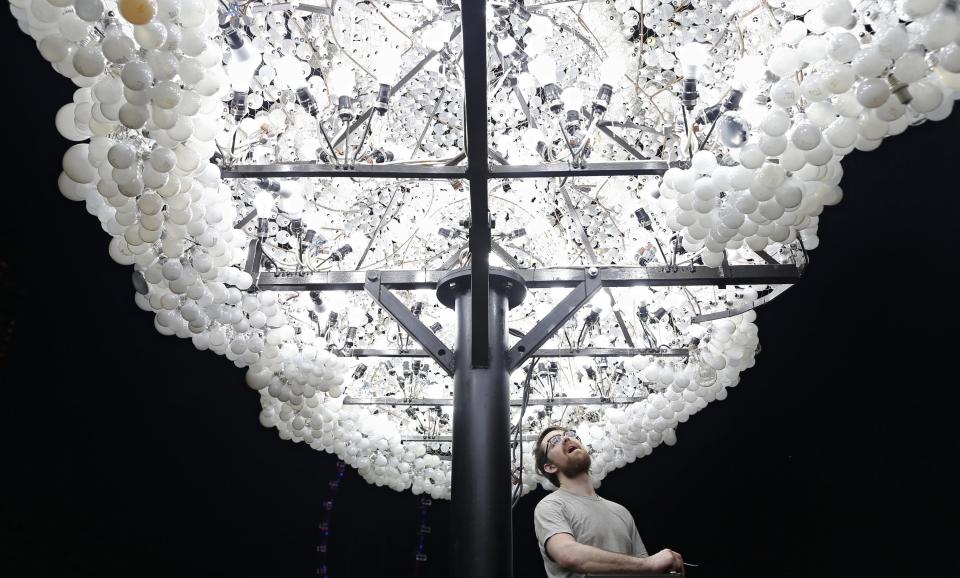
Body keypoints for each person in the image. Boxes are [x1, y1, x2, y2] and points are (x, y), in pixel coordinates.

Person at [532, 425, 685, 577]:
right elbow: (567, 554)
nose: (566, 438)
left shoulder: (621, 511)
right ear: (550, 466)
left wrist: (665, 570)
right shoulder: (550, 506)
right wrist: (649, 564)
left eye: (570, 434)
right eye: (555, 441)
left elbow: (644, 570)